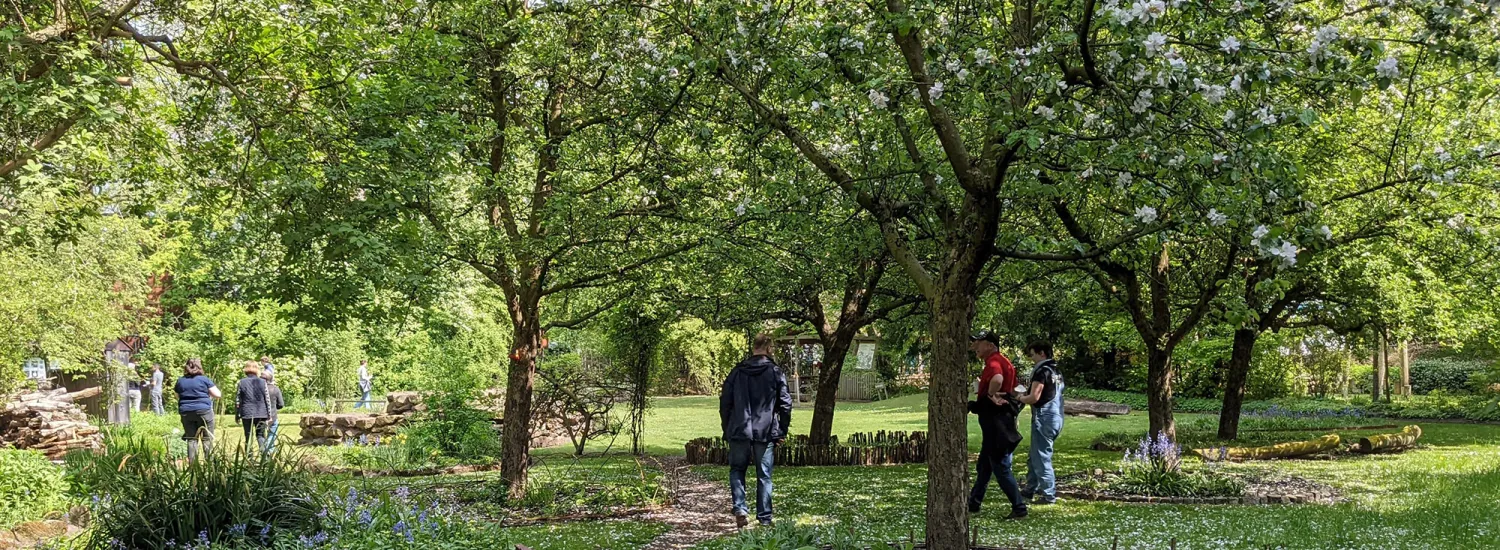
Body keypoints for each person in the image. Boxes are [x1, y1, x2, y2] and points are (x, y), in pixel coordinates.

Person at [719, 333, 793, 529]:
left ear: (754, 347)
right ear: (769, 348)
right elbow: (786, 403)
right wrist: (782, 430)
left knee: (737, 469)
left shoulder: (737, 371)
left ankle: (740, 508)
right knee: (764, 475)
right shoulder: (775, 372)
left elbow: (725, 402)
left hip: (739, 429)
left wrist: (727, 428)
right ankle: (765, 517)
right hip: (765, 430)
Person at [967, 330, 1027, 519]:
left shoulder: (993, 362)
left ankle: (1019, 508)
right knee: (985, 465)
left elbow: (998, 380)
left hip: (996, 424)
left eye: (979, 342)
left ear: (991, 345)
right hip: (998, 421)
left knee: (1000, 466)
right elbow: (1016, 389)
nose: (975, 345)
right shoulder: (1005, 361)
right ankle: (973, 504)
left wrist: (990, 394)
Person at [1017, 341, 1065, 505]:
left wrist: (1020, 397)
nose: (1032, 359)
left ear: (1042, 353)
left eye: (1033, 355)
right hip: (1057, 416)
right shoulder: (1056, 370)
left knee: (1041, 456)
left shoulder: (1042, 372)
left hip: (1044, 417)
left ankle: (1048, 494)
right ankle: (1030, 489)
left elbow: (1034, 397)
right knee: (1034, 455)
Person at [174, 358, 221, 462]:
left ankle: (192, 467)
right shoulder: (204, 380)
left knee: (191, 439)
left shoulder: (180, 381)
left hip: (186, 412)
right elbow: (218, 394)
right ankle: (209, 465)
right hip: (204, 411)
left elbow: (177, 396)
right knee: (207, 439)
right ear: (200, 367)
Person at [236, 361, 273, 453]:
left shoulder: (241, 382)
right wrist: (269, 414)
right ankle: (265, 459)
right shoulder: (262, 382)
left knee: (248, 436)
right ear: (257, 370)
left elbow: (238, 400)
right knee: (261, 435)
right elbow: (267, 399)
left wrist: (237, 414)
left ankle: (249, 459)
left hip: (246, 412)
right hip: (261, 412)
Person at [261, 371, 285, 454]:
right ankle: (269, 451)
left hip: (260, 416)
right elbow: (281, 404)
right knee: (272, 434)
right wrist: (275, 407)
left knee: (260, 435)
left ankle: (264, 450)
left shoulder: (257, 389)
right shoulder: (275, 389)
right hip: (273, 416)